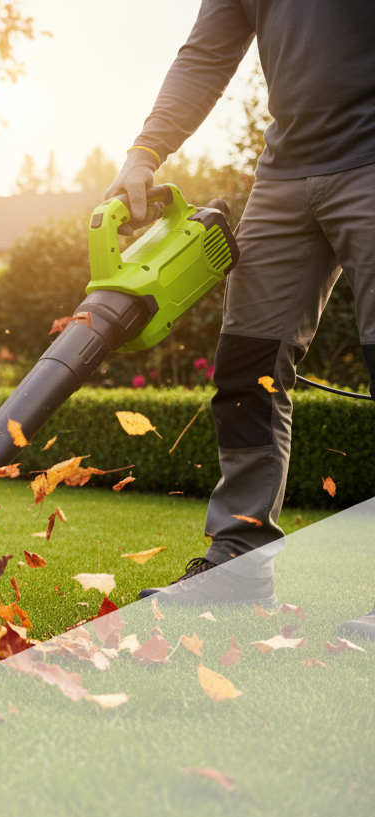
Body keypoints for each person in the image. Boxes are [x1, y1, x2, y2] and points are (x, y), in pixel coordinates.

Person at [103, 0, 375, 638]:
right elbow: (204, 54)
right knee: (248, 365)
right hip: (285, 173)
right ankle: (240, 560)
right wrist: (144, 152)